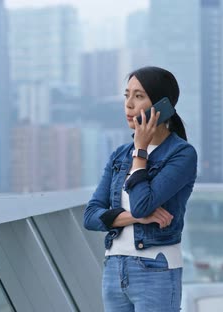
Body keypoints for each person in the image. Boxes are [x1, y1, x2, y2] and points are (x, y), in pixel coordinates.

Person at [83, 66, 198, 312]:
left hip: (156, 267)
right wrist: (137, 218)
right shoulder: (119, 155)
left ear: (162, 105)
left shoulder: (181, 154)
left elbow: (141, 203)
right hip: (114, 269)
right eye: (127, 96)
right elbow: (91, 216)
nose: (129, 105)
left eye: (139, 96)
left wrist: (141, 152)